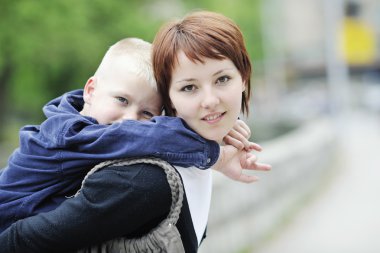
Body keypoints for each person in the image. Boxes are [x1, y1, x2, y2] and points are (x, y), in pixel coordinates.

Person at [0, 11, 271, 253]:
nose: (209, 101)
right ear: (90, 91)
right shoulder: (132, 174)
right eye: (189, 87)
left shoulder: (174, 161)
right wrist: (216, 156)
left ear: (244, 78)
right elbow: (21, 239)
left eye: (222, 79)